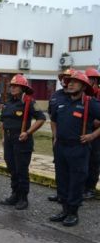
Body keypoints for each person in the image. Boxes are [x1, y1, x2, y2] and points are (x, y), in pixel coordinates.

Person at [49, 71, 100, 227]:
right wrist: (55, 136)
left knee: (76, 181)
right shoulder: (61, 100)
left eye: (75, 82)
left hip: (78, 148)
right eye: (69, 81)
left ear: (84, 86)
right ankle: (64, 210)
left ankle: (73, 213)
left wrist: (92, 136)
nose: (70, 84)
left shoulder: (90, 103)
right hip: (61, 147)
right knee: (62, 179)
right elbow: (54, 119)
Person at [0, 75, 46, 210]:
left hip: (22, 141)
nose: (12, 88)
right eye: (12, 86)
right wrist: (3, 137)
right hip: (8, 140)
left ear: (23, 88)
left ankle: (23, 198)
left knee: (21, 170)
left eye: (16, 86)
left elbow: (41, 119)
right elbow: (2, 121)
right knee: (12, 168)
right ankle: (14, 194)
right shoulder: (8, 103)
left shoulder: (29, 102)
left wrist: (28, 132)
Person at [47, 69, 72, 203]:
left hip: (74, 139)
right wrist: (55, 135)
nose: (65, 80)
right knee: (59, 166)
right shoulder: (56, 95)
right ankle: (60, 193)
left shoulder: (79, 96)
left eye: (68, 78)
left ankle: (70, 196)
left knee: (71, 168)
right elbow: (52, 117)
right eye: (63, 78)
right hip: (58, 137)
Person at [83, 67, 100, 199]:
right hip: (85, 130)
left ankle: (90, 188)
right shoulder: (84, 95)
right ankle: (82, 186)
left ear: (95, 80)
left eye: (89, 79)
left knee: (94, 160)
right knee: (84, 159)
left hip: (96, 133)